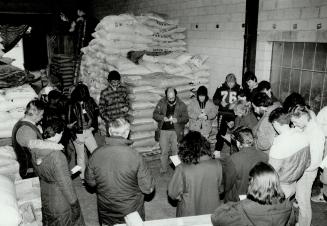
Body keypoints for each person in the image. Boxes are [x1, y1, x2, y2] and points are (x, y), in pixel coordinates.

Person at [85, 118, 155, 226]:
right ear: (127, 133)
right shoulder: (135, 156)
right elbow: (148, 188)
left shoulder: (95, 154)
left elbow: (90, 182)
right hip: (131, 211)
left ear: (109, 132)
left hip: (106, 209)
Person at [28, 118, 85, 226]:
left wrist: (64, 172)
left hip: (45, 194)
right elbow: (65, 185)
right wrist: (75, 205)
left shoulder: (34, 149)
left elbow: (43, 171)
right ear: (59, 133)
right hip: (60, 201)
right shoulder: (57, 156)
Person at [211, 162, 295, 226]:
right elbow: (291, 222)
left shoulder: (242, 209)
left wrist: (237, 203)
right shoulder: (288, 205)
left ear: (252, 183)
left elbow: (216, 217)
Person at [168, 131, 223, 217]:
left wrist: (182, 196)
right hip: (212, 212)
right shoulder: (217, 164)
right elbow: (220, 189)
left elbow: (173, 194)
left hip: (189, 213)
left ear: (186, 148)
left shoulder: (182, 168)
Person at [290, 105, 325, 226]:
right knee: (300, 198)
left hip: (307, 171)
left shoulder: (315, 132)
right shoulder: (307, 127)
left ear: (303, 117)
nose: (294, 124)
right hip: (303, 169)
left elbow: (316, 160)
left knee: (303, 201)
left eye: (295, 121)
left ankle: (305, 223)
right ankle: (302, 221)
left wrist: (301, 169)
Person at [268, 107, 310, 198]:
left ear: (275, 123)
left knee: (277, 211)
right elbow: (307, 163)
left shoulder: (279, 144)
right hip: (294, 183)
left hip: (280, 187)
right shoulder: (303, 136)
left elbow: (271, 173)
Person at [223, 127, 268, 202]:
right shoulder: (264, 156)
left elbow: (228, 183)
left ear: (238, 142)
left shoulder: (233, 159)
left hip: (238, 198)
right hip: (258, 196)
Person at [153, 87, 189, 173]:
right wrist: (162, 118)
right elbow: (155, 115)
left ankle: (176, 169)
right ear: (166, 96)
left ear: (176, 95)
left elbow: (186, 118)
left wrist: (178, 120)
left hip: (176, 131)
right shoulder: (161, 103)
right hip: (163, 131)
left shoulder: (181, 104)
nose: (171, 100)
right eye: (169, 98)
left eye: (173, 98)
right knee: (164, 151)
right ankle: (163, 169)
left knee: (175, 151)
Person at [67, 83, 99, 180]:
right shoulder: (71, 105)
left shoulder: (90, 101)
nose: (83, 99)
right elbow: (68, 124)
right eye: (81, 97)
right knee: (81, 156)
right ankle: (83, 178)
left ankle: (96, 173)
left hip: (88, 131)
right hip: (78, 133)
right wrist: (74, 137)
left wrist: (94, 127)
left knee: (95, 152)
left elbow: (95, 115)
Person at [12, 99, 45, 178]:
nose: (42, 117)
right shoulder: (26, 129)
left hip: (30, 170)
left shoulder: (22, 123)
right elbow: (36, 153)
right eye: (41, 114)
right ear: (34, 113)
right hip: (31, 172)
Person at [213, 73, 241, 152]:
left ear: (235, 82)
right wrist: (220, 102)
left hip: (235, 113)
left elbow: (243, 101)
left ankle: (236, 150)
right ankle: (217, 150)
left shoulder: (239, 88)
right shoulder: (221, 87)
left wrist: (236, 102)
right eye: (229, 82)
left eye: (232, 82)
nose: (230, 84)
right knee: (221, 131)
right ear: (226, 81)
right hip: (223, 113)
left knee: (236, 132)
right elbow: (215, 99)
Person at [99, 70, 129, 136]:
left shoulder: (123, 90)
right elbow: (101, 109)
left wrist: (126, 107)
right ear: (109, 81)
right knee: (113, 143)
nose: (116, 84)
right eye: (113, 82)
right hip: (111, 123)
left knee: (124, 142)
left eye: (117, 82)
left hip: (122, 121)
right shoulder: (105, 93)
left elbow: (127, 102)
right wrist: (110, 121)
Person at [312, 106, 327, 203]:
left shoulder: (325, 110)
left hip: (325, 141)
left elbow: (316, 128)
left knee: (325, 171)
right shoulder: (325, 110)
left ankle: (324, 195)